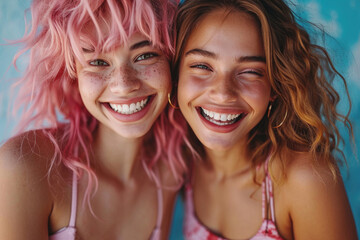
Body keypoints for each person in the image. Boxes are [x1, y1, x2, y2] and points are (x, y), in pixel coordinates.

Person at [171, 0, 358, 239]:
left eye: (250, 71)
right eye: (201, 66)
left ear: (275, 87)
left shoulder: (304, 179)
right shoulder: (180, 161)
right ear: (176, 77)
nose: (223, 92)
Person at [0, 0, 185, 239]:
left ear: (172, 62)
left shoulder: (171, 171)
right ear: (73, 72)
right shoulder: (25, 167)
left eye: (145, 55)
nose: (124, 85)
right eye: (98, 62)